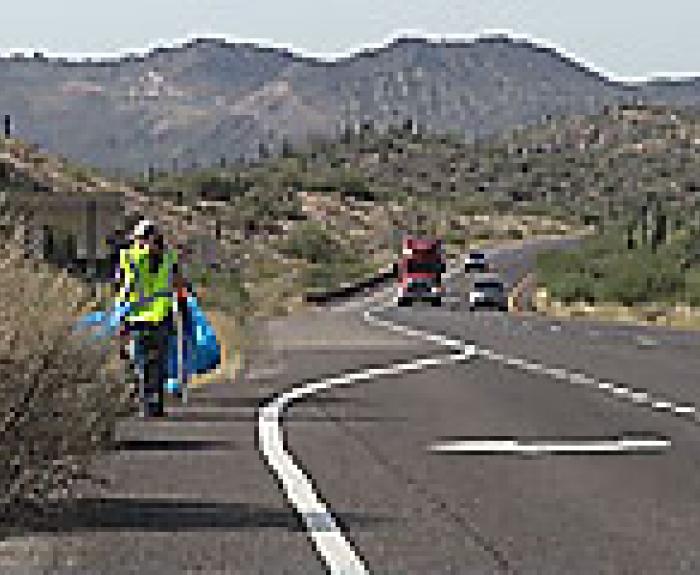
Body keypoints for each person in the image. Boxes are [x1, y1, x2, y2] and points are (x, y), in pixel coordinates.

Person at [115, 219, 189, 417]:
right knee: (147, 362)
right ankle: (148, 401)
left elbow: (121, 285)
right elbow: (178, 284)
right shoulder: (164, 259)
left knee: (147, 361)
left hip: (146, 316)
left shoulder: (130, 257)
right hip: (143, 317)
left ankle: (150, 401)